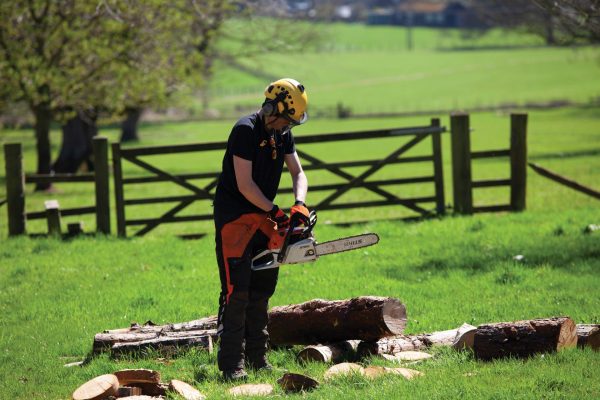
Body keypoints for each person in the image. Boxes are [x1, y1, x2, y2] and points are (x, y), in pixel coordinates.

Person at [212, 78, 311, 381]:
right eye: (286, 120)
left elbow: (298, 173)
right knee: (237, 292)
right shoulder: (245, 130)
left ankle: (258, 359)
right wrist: (275, 211)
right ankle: (232, 365)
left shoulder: (282, 135)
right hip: (236, 219)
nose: (287, 127)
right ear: (272, 108)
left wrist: (299, 204)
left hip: (265, 217)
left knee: (262, 290)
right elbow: (245, 185)